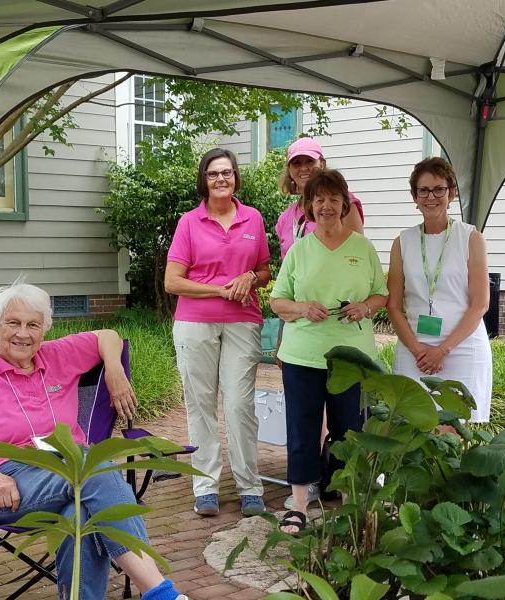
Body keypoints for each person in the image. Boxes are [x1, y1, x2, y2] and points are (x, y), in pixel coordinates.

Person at [0, 282, 187, 600]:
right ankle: (160, 592)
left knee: (79, 516)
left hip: (68, 467)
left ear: (43, 331)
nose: (23, 333)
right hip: (5, 485)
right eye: (13, 323)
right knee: (93, 472)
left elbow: (107, 336)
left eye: (33, 325)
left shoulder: (55, 355)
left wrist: (114, 370)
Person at [270, 169, 388, 533]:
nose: (326, 206)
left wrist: (365, 307)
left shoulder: (363, 247)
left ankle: (350, 502)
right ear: (309, 206)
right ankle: (300, 506)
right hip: (303, 356)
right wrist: (303, 308)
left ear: (345, 203)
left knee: (350, 430)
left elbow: (381, 294)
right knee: (302, 429)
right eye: (318, 199)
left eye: (333, 198)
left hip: (352, 358)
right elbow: (277, 301)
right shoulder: (300, 250)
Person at [164, 148, 270, 517]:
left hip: (243, 322)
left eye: (227, 172)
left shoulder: (252, 219)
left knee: (240, 405)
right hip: (195, 323)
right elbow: (172, 282)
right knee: (201, 405)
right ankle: (205, 486)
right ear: (204, 181)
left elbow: (264, 270)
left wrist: (248, 277)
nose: (221, 179)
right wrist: (219, 290)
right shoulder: (189, 222)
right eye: (213, 174)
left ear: (236, 177)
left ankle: (249, 486)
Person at [275, 137, 366, 510]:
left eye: (309, 162)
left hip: (340, 330)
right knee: (305, 414)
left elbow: (355, 258)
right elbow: (286, 280)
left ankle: (333, 480)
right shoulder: (286, 218)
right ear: (290, 171)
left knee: (343, 417)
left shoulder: (346, 204)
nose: (303, 169)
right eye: (296, 163)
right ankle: (306, 486)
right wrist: (289, 322)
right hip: (299, 325)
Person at [386, 157, 492, 422]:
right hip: (414, 350)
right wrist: (417, 349)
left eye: (438, 189)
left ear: (452, 193)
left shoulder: (470, 238)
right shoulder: (403, 242)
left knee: (457, 429)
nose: (431, 197)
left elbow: (480, 304)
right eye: (423, 190)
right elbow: (393, 305)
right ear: (414, 196)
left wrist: (442, 350)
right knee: (413, 428)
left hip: (462, 349)